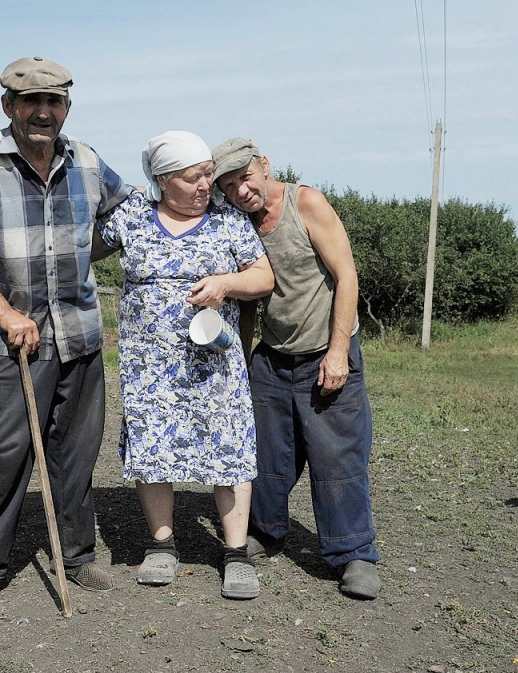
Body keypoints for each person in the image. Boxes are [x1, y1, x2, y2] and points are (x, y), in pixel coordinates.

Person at [0, 56, 132, 615]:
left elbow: (124, 220)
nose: (43, 112)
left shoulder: (89, 161)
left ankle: (76, 554)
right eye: (32, 102)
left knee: (75, 451)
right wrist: (6, 314)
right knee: (4, 449)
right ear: (9, 107)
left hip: (80, 333)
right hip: (12, 337)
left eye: (55, 102)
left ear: (67, 107)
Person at [95, 131, 274, 600]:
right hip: (149, 368)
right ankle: (162, 545)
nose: (205, 185)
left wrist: (224, 284)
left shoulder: (228, 221)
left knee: (228, 446)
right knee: (153, 447)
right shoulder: (132, 217)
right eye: (193, 178)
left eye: (208, 176)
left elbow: (263, 276)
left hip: (214, 366)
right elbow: (82, 247)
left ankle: (235, 555)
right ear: (162, 180)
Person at [212, 137, 382, 599]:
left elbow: (346, 275)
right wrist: (244, 358)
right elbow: (248, 296)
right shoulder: (239, 224)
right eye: (228, 186)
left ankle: (354, 554)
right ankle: (266, 531)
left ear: (263, 166)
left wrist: (337, 351)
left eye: (244, 177)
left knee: (337, 459)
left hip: (325, 352)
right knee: (265, 453)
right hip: (273, 356)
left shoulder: (306, 202)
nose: (240, 191)